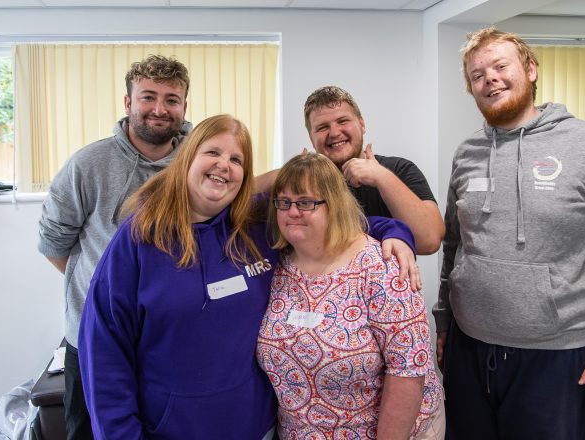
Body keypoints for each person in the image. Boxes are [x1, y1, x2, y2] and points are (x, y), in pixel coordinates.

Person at [78, 116, 418, 439]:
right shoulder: (139, 238)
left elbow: (327, 224)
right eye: (212, 152)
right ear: (186, 160)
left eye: (236, 159)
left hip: (260, 430)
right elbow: (104, 357)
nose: (223, 165)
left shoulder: (254, 225)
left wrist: (394, 231)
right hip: (169, 431)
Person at [432, 27, 585, 440]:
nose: (488, 78)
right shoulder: (468, 152)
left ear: (530, 69)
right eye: (477, 75)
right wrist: (444, 321)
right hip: (469, 346)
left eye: (499, 66)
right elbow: (455, 246)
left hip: (558, 354)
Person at [37, 54, 191, 439]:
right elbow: (55, 244)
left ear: (184, 106)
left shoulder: (198, 161)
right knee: (89, 432)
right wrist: (105, 292)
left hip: (166, 337)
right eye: (148, 97)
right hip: (93, 337)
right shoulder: (88, 165)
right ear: (128, 103)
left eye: (171, 99)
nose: (159, 109)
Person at [257, 152, 445, 439]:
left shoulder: (381, 266)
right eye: (284, 202)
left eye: (306, 202)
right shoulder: (277, 265)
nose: (292, 211)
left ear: (334, 205)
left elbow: (408, 369)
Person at [257, 85, 444, 257]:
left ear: (362, 124)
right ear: (311, 138)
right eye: (322, 127)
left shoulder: (399, 170)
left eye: (342, 121)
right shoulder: (304, 185)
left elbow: (429, 241)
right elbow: (237, 194)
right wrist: (290, 173)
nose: (335, 132)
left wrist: (381, 177)